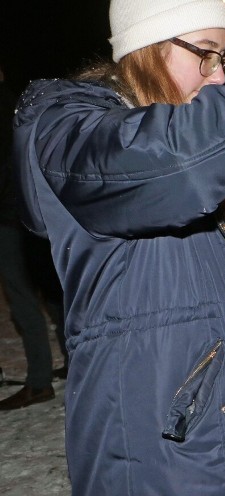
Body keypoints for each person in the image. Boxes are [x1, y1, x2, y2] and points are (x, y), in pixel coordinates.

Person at [11, 0, 225, 493]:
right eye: (207, 54)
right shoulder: (78, 129)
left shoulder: (212, 178)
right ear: (148, 47)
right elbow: (177, 161)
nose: (218, 77)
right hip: (166, 461)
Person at [0, 64, 65, 410]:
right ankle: (74, 361)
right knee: (51, 291)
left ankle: (39, 381)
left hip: (9, 217)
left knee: (22, 297)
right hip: (33, 212)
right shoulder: (17, 105)